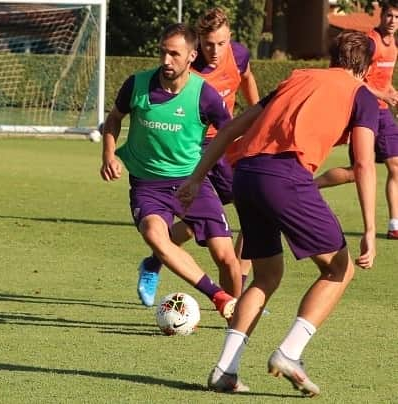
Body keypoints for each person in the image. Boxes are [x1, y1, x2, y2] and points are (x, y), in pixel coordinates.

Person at [177, 30, 378, 396]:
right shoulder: (360, 93)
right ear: (366, 67)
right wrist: (369, 228)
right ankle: (290, 352)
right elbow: (363, 163)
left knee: (266, 275)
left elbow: (234, 126)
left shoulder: (299, 77)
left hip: (247, 176)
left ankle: (226, 369)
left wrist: (197, 177)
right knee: (339, 268)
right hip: (285, 177)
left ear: (333, 58)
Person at [100, 23, 241, 321]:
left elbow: (229, 132)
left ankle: (236, 317)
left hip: (191, 182)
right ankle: (218, 296)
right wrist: (109, 155)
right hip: (147, 185)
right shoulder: (137, 85)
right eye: (163, 52)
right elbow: (113, 119)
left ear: (192, 56)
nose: (166, 60)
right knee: (155, 234)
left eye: (174, 54)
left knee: (227, 258)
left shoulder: (205, 95)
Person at [137, 7, 260, 307]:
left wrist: (258, 116)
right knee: (208, 217)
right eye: (208, 44)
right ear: (197, 46)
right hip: (192, 152)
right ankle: (235, 296)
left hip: (226, 146)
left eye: (221, 43)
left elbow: (246, 77)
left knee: (249, 209)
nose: (215, 51)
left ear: (230, 37)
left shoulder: (239, 54)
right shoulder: (187, 69)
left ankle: (157, 261)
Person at [315, 0, 398, 240]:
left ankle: (394, 225)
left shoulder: (393, 46)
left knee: (395, 166)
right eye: (389, 16)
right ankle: (313, 185)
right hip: (365, 109)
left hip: (383, 112)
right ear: (381, 17)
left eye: (396, 17)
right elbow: (354, 79)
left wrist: (390, 92)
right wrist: (381, 94)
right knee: (357, 172)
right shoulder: (370, 43)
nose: (392, 21)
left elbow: (383, 79)